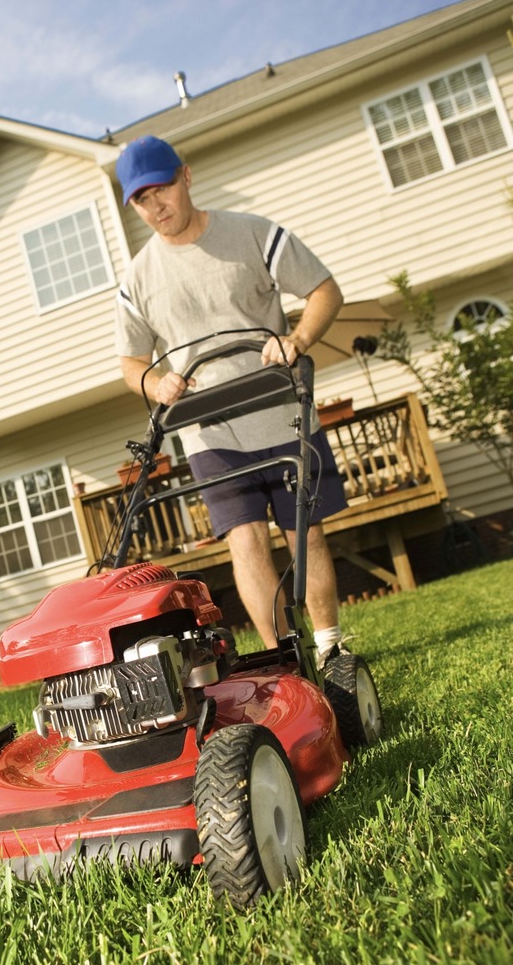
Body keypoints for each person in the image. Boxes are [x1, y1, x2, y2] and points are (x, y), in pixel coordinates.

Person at [114, 135, 349, 664]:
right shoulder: (137, 279)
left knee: (304, 534)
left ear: (187, 177)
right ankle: (282, 658)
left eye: (162, 190)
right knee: (245, 542)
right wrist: (155, 383)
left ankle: (331, 646)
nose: (156, 207)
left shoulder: (252, 234)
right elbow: (130, 363)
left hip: (284, 415)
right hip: (210, 432)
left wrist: (297, 339)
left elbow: (324, 290)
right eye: (141, 200)